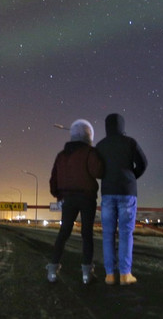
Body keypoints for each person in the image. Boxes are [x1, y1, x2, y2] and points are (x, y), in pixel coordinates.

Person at [47, 119, 105, 284]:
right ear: (89, 135)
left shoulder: (61, 155)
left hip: (67, 198)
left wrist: (58, 195)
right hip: (87, 198)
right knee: (87, 234)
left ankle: (52, 269)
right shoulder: (89, 152)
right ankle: (87, 273)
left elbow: (53, 180)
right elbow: (99, 172)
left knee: (64, 232)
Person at [96, 113, 148, 285]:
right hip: (127, 191)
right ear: (122, 125)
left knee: (108, 234)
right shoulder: (130, 142)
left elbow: (96, 170)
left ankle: (110, 275)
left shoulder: (100, 146)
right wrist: (132, 177)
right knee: (126, 233)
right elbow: (143, 163)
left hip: (108, 192)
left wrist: (106, 176)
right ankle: (125, 274)